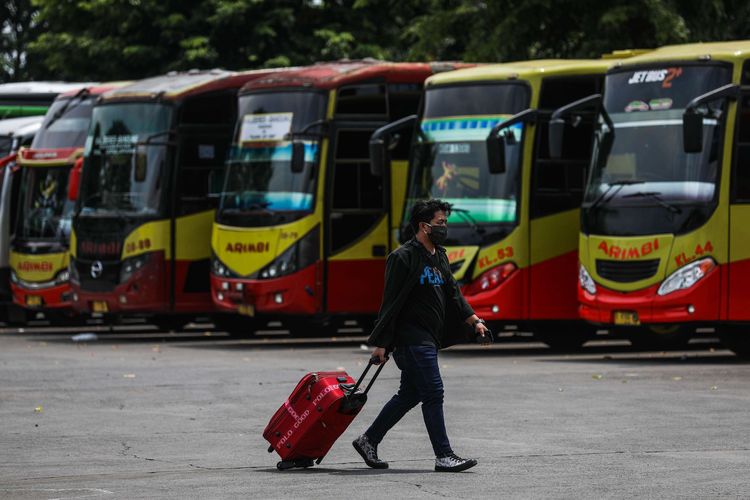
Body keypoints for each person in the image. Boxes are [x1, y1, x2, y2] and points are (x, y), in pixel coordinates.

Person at [352, 198, 491, 473]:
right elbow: (390, 303)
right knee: (433, 391)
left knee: (409, 394)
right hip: (410, 338)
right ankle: (444, 455)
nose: (444, 227)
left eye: (445, 223)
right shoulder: (403, 257)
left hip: (430, 336)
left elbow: (453, 292)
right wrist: (381, 344)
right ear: (424, 226)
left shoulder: (439, 254)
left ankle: (368, 440)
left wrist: (475, 320)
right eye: (440, 223)